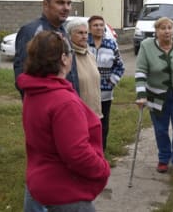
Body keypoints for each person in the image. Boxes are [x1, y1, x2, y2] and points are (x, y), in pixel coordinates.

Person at [17, 31, 110, 212]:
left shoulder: (36, 90)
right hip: (65, 192)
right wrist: (103, 169)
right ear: (64, 59)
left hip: (40, 181)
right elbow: (77, 154)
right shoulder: (63, 101)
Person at [14, 0, 79, 212]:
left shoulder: (63, 32)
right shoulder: (33, 31)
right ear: (45, 4)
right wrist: (40, 110)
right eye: (60, 3)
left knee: (59, 166)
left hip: (64, 108)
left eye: (69, 3)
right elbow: (23, 74)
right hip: (47, 113)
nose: (66, 8)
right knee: (44, 165)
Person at [135, 17, 173, 175]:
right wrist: (141, 94)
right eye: (163, 28)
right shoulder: (146, 46)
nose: (167, 31)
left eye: (169, 28)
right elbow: (141, 71)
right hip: (156, 96)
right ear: (156, 31)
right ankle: (163, 158)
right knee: (161, 130)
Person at [87, 15, 125, 151]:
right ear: (89, 28)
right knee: (86, 123)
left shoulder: (111, 44)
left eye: (101, 25)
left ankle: (100, 152)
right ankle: (88, 151)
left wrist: (111, 82)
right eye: (95, 25)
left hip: (105, 93)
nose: (99, 28)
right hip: (86, 93)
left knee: (103, 124)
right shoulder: (84, 43)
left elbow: (120, 66)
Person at [66, 18, 102, 118]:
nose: (84, 36)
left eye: (86, 33)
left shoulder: (90, 55)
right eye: (80, 33)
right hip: (77, 115)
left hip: (95, 113)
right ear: (70, 35)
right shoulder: (67, 58)